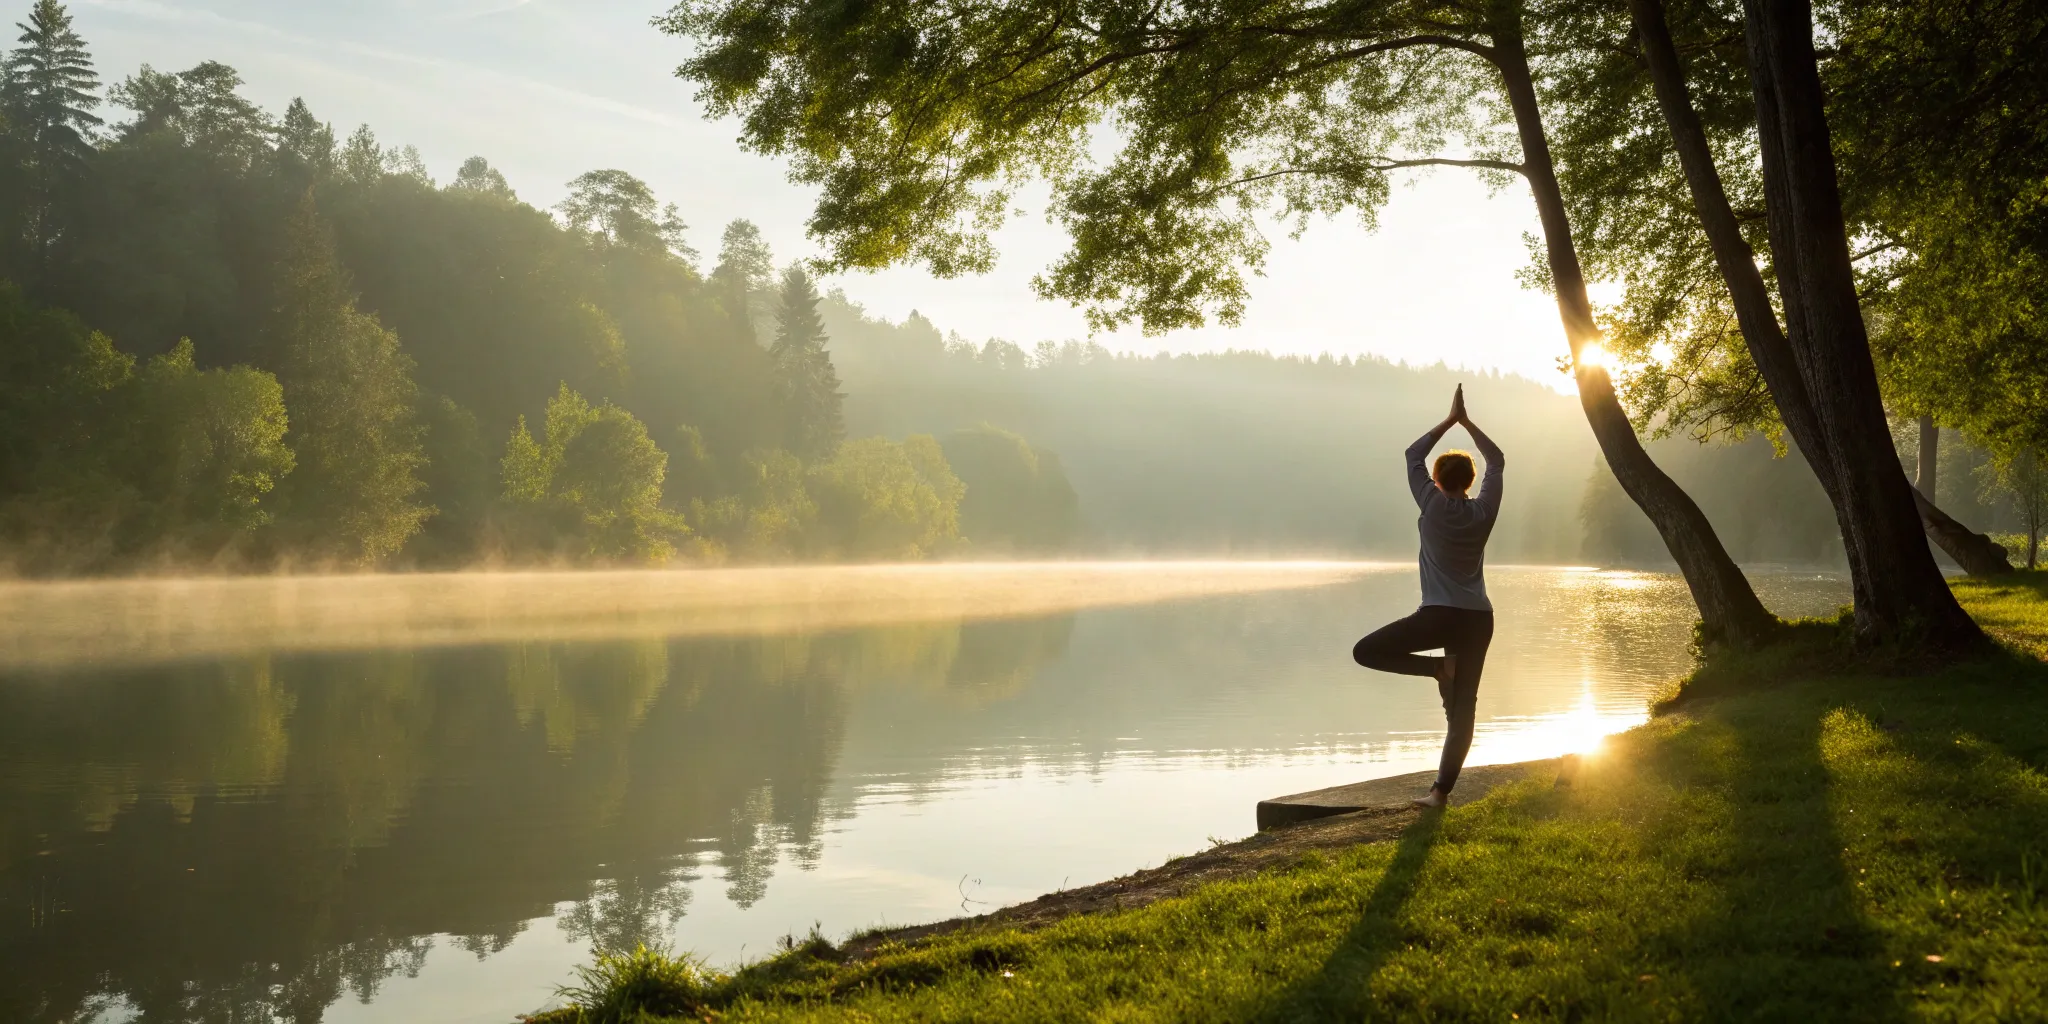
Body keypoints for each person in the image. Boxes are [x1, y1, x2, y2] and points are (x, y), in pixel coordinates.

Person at [1353, 384, 1505, 809]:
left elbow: (1410, 455)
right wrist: (1469, 423)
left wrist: (1449, 420)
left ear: (1437, 481)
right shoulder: (1483, 511)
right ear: (1471, 481)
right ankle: (1440, 793)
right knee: (1464, 711)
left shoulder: (1431, 504)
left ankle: (1439, 667)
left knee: (1366, 651)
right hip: (1478, 618)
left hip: (1438, 616)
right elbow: (1498, 460)